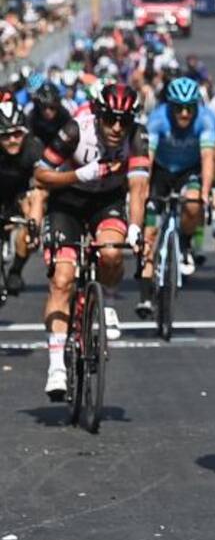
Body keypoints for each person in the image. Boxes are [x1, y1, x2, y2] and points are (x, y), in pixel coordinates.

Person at [37, 83, 150, 399]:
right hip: (68, 201)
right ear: (99, 115)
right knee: (62, 280)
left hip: (107, 202)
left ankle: (108, 302)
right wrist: (79, 174)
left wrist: (136, 228)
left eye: (124, 121)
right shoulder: (76, 129)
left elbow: (139, 188)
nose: (117, 128)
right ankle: (57, 366)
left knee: (112, 253)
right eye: (111, 119)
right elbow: (40, 175)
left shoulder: (137, 137)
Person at [136, 77, 215, 315]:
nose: (184, 113)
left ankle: (186, 243)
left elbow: (208, 158)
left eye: (189, 107)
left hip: (188, 171)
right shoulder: (158, 118)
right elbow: (146, 161)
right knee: (149, 233)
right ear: (169, 106)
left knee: (193, 204)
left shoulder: (205, 118)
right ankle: (145, 296)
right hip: (160, 171)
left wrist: (204, 193)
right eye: (178, 108)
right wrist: (142, 192)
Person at [0, 99, 44, 295]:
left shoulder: (34, 148)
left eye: (17, 134)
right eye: (5, 136)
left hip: (21, 194)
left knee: (30, 225)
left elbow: (39, 189)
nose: (12, 141)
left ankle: (16, 270)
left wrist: (32, 221)